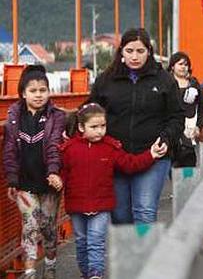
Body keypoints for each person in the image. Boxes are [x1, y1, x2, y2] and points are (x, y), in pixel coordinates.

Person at [89, 28, 184, 224]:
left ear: (149, 51)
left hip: (153, 155)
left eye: (140, 51)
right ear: (121, 51)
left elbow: (176, 116)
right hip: (115, 157)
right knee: (120, 215)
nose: (135, 56)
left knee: (144, 211)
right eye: (130, 51)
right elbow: (89, 112)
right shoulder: (106, 81)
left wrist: (166, 138)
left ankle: (145, 254)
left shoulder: (164, 80)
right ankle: (128, 255)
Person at [60, 103, 166, 279]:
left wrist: (151, 155)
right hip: (76, 205)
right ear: (81, 127)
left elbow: (130, 164)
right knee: (81, 241)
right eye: (94, 127)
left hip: (101, 205)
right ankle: (86, 272)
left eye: (102, 126)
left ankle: (96, 273)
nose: (99, 131)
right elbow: (61, 172)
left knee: (96, 241)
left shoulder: (110, 147)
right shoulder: (69, 149)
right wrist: (55, 179)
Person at [2, 65, 66, 279]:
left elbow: (54, 145)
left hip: (49, 183)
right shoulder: (14, 117)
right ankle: (29, 272)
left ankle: (50, 266)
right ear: (23, 93)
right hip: (24, 183)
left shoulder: (56, 116)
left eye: (43, 90)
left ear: (49, 92)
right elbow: (10, 149)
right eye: (33, 91)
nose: (39, 95)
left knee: (48, 227)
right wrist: (12, 179)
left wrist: (54, 172)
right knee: (29, 226)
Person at [167, 52, 203, 167]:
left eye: (186, 64)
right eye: (180, 64)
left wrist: (199, 126)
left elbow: (202, 105)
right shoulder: (166, 83)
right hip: (170, 132)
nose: (183, 67)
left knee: (188, 163)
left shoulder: (193, 83)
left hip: (189, 133)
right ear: (173, 66)